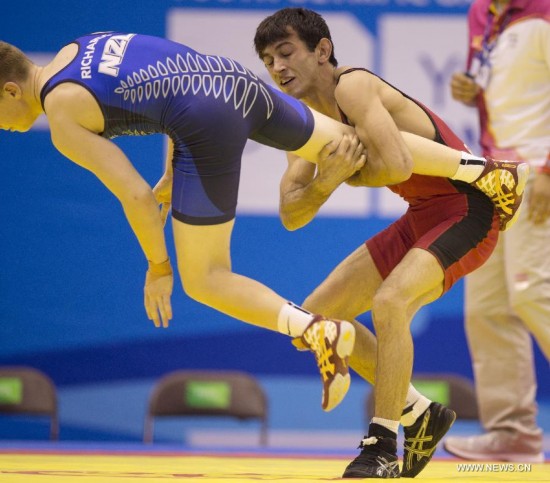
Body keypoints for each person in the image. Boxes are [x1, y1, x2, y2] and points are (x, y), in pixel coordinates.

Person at [0, 31, 490, 417]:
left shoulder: (61, 114)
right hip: (233, 84)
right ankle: (481, 170)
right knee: (355, 138)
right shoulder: (80, 47)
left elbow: (134, 196)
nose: (3, 125)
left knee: (204, 279)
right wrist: (171, 173)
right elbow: (182, 70)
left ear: (10, 89)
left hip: (201, 118)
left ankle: (315, 330)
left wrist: (157, 265)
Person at [253, 7, 529, 478]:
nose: (277, 68)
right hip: (425, 214)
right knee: (318, 319)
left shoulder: (352, 86)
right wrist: (325, 184)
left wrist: (343, 179)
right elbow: (291, 214)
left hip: (470, 207)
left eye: (285, 53)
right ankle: (420, 412)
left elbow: (398, 165)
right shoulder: (300, 120)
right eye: (267, 60)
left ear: (322, 51)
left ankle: (381, 445)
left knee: (390, 302)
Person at [443, 0, 550, 464]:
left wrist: (548, 169)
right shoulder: (480, 14)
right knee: (485, 306)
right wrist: (472, 91)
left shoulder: (543, 14)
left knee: (532, 292)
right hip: (495, 174)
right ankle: (513, 434)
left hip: (539, 170)